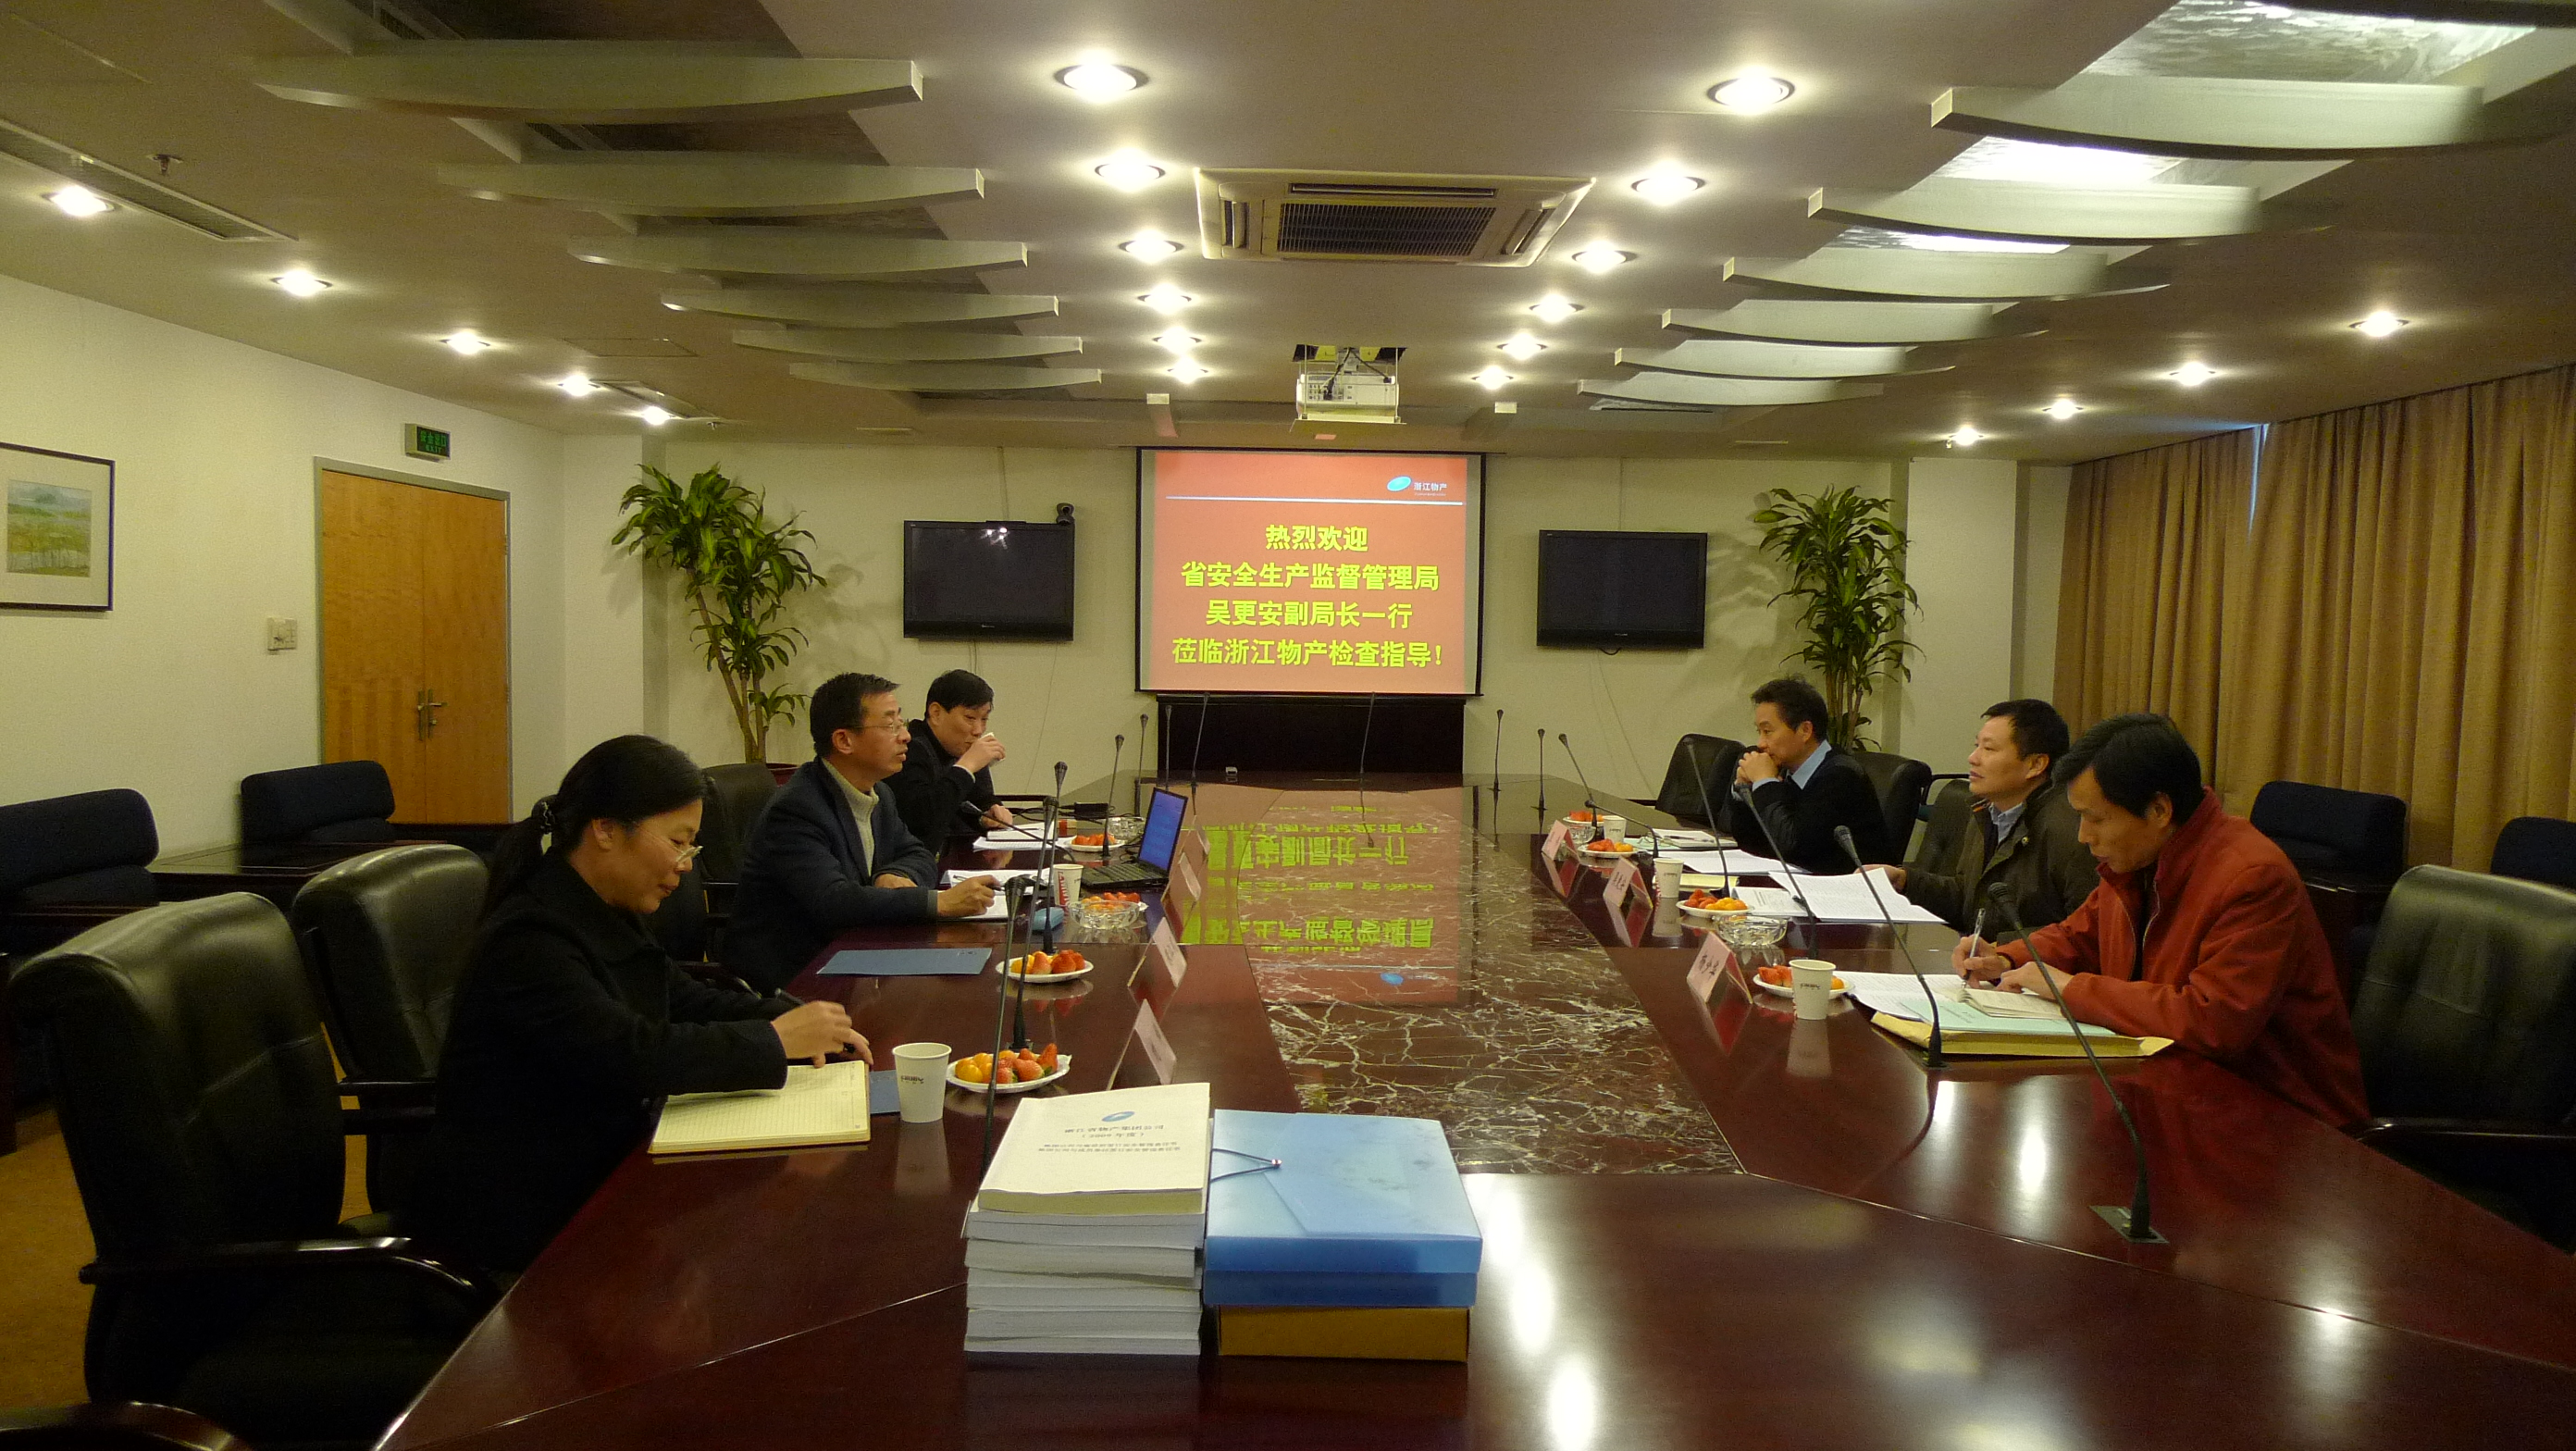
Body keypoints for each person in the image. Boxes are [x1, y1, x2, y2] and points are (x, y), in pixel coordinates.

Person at [412, 735, 868, 1272]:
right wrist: (772, 1042)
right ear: (606, 830)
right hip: (528, 1208)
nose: (686, 865)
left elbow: (678, 995)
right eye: (678, 842)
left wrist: (788, 1020)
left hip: (600, 1161)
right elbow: (629, 1054)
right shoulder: (530, 939)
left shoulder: (598, 904)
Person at [1953, 713, 2368, 1126]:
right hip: (2175, 1091)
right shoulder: (2141, 856)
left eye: (2096, 818)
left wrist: (2070, 989)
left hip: (2281, 1118)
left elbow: (2212, 1020)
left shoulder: (2252, 877)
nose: (2083, 835)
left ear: (2158, 810)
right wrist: (2005, 958)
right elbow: (2080, 935)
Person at [727, 672, 1000, 992]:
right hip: (795, 975)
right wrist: (937, 903)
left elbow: (917, 852)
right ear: (844, 740)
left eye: (901, 723)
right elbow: (833, 901)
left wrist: (895, 872)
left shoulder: (878, 792)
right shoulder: (797, 809)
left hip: (857, 953)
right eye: (890, 725)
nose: (906, 736)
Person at [1876, 699, 2096, 934]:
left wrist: (2000, 950)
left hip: (2020, 958)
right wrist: (1905, 881)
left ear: (2036, 764)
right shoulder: (1986, 811)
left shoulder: (2073, 831)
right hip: (1982, 954)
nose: (1973, 758)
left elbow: (2084, 935)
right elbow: (1970, 900)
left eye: (1989, 749)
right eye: (1976, 746)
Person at [1724, 676, 1893, 874]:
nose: (1761, 743)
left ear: (1805, 730)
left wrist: (1765, 782)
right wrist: (1745, 789)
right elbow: (1752, 844)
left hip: (1847, 888)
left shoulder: (1841, 777)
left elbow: (1792, 846)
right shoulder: (1786, 771)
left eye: (1767, 731)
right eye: (1759, 731)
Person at [888, 668, 1013, 858]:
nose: (978, 730)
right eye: (970, 718)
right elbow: (920, 820)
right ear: (936, 713)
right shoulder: (909, 748)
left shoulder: (963, 747)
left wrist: (989, 814)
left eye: (984, 719)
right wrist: (966, 767)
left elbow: (979, 799)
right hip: (917, 860)